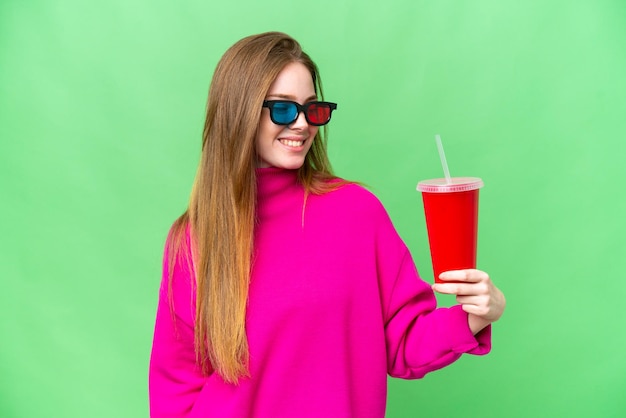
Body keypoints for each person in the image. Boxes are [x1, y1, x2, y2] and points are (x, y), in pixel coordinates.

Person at [149, 31, 506, 418]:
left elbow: (403, 343)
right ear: (240, 111)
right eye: (283, 109)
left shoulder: (356, 212)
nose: (302, 125)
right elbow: (176, 387)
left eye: (312, 109)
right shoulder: (193, 239)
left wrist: (475, 316)